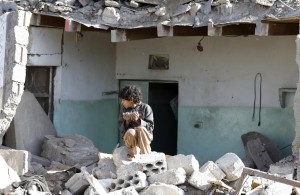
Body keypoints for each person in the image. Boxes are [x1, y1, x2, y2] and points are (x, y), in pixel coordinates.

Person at [118, 85, 154, 160]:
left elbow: (150, 128)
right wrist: (127, 121)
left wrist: (138, 120)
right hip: (130, 141)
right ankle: (132, 153)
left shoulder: (146, 108)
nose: (122, 102)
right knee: (131, 131)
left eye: (123, 100)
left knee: (141, 129)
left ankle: (145, 157)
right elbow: (121, 130)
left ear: (131, 99)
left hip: (144, 139)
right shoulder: (123, 110)